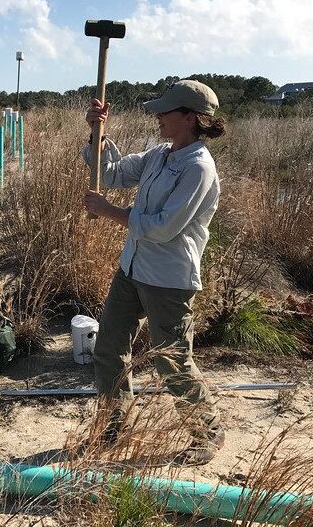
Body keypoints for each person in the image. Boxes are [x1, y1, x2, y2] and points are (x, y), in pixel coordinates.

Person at [82, 79, 226, 465]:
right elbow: (110, 173)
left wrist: (108, 211)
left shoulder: (198, 168)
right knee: (109, 348)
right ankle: (113, 426)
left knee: (171, 359)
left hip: (168, 279)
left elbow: (164, 227)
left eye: (166, 111)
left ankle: (206, 432)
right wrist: (99, 133)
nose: (158, 117)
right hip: (132, 268)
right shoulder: (159, 154)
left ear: (191, 118)